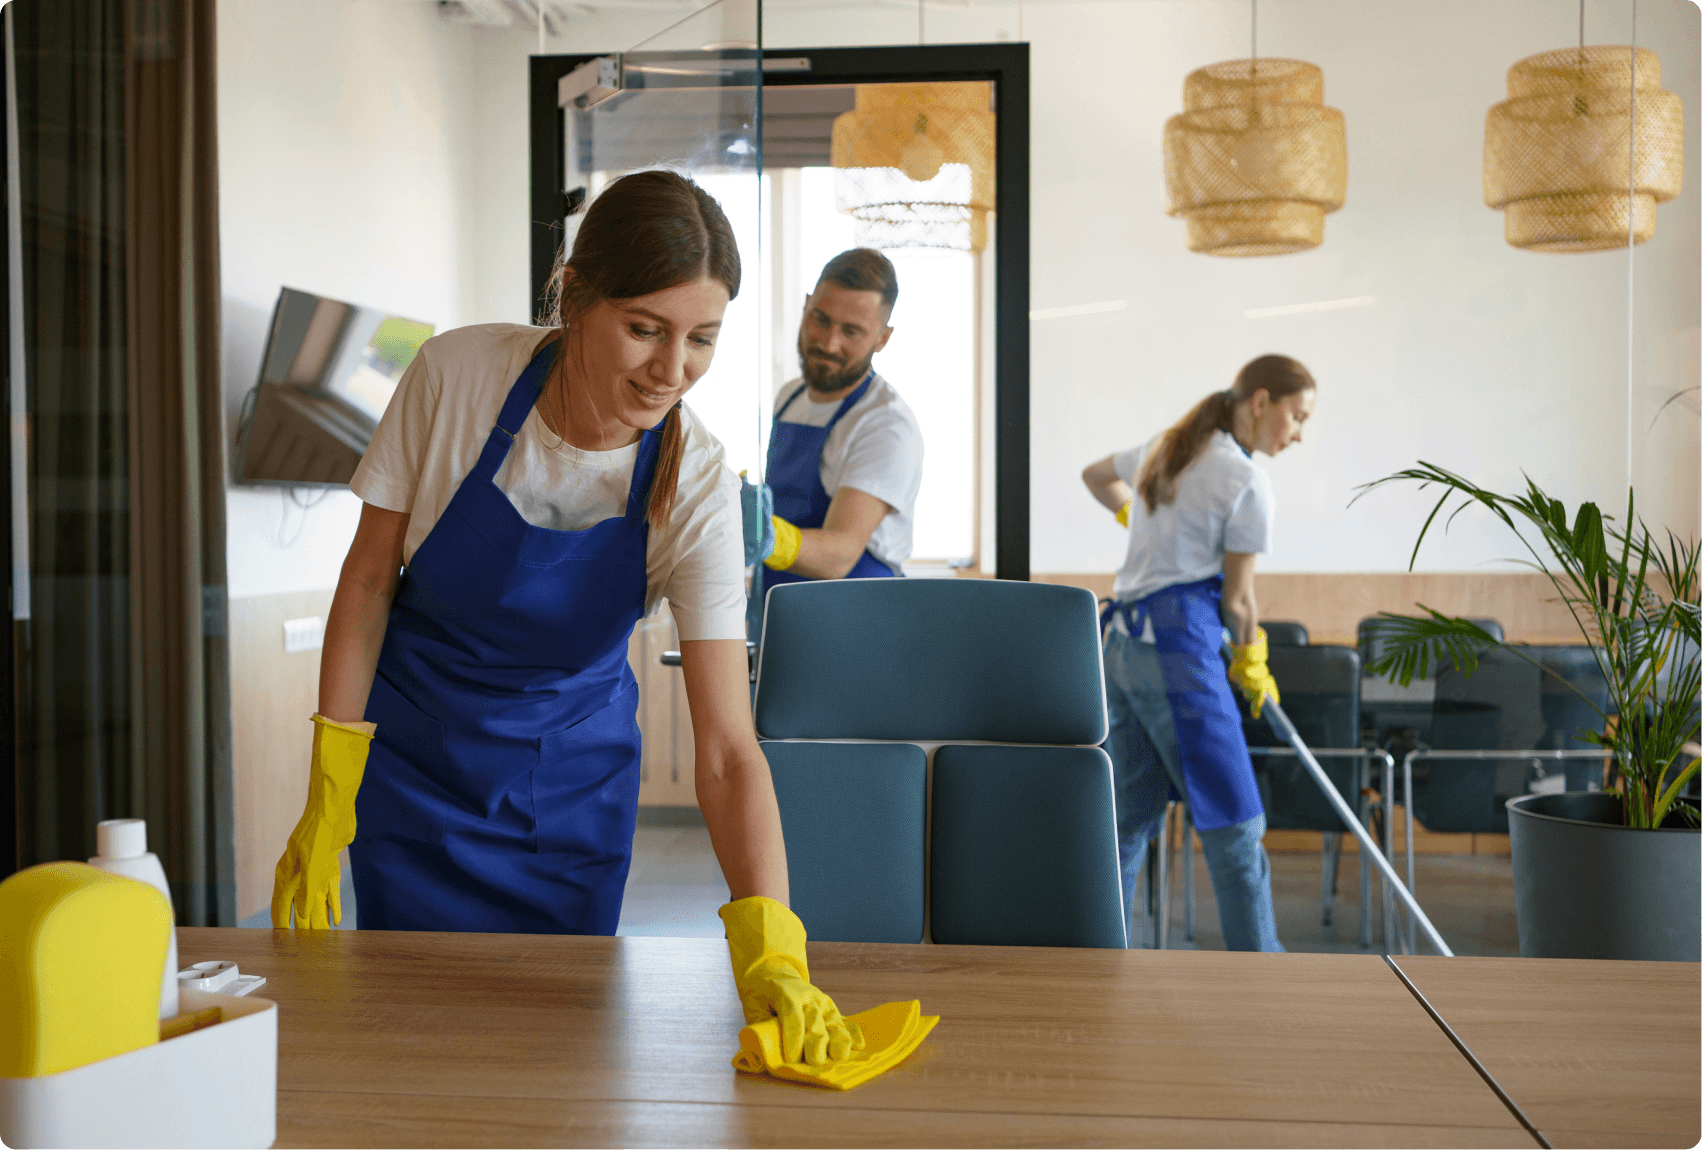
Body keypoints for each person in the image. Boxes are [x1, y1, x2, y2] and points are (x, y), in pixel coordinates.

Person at [270, 170, 862, 1066]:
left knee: (556, 1056)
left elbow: (726, 752)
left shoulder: (699, 486)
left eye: (702, 338)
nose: (672, 370)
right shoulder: (458, 377)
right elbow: (368, 581)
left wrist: (774, 947)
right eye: (645, 329)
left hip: (570, 799)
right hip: (414, 773)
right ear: (575, 294)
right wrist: (328, 793)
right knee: (410, 1047)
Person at [1080, 355, 1316, 952]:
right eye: (1296, 416)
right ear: (1260, 402)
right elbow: (1238, 602)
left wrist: (1139, 519)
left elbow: (1094, 475)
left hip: (1119, 649)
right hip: (1177, 655)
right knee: (1235, 823)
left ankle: (1104, 960)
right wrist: (1252, 661)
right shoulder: (1244, 480)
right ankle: (1259, 973)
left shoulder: (1168, 446)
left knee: (1126, 821)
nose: (1297, 434)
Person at [753, 249, 923, 597]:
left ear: (882, 338)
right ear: (805, 306)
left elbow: (840, 555)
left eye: (852, 331)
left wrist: (761, 535)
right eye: (820, 320)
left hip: (859, 614)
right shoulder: (789, 397)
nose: (829, 344)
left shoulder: (886, 425)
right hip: (781, 602)